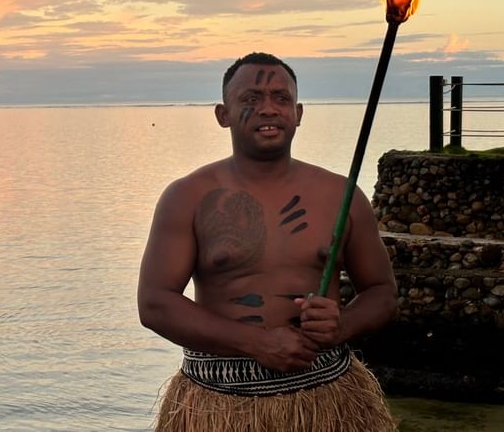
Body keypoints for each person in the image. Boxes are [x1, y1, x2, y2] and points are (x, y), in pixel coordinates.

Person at [137, 52, 397, 431]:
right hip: (218, 404)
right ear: (222, 114)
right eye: (251, 99)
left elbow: (382, 293)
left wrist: (342, 325)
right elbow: (155, 304)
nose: (268, 109)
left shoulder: (341, 195)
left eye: (281, 98)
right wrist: (254, 343)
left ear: (299, 112)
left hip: (327, 396)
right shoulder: (187, 197)